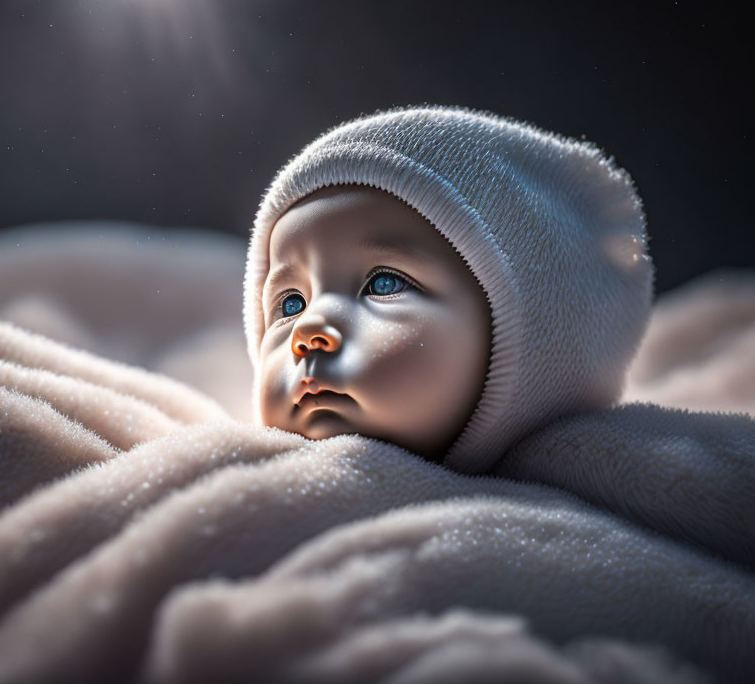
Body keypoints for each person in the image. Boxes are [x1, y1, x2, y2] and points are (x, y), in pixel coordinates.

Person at [243, 105, 654, 474]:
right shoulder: (243, 477)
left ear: (528, 341)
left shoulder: (610, 496)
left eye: (384, 283)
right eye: (290, 303)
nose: (308, 328)